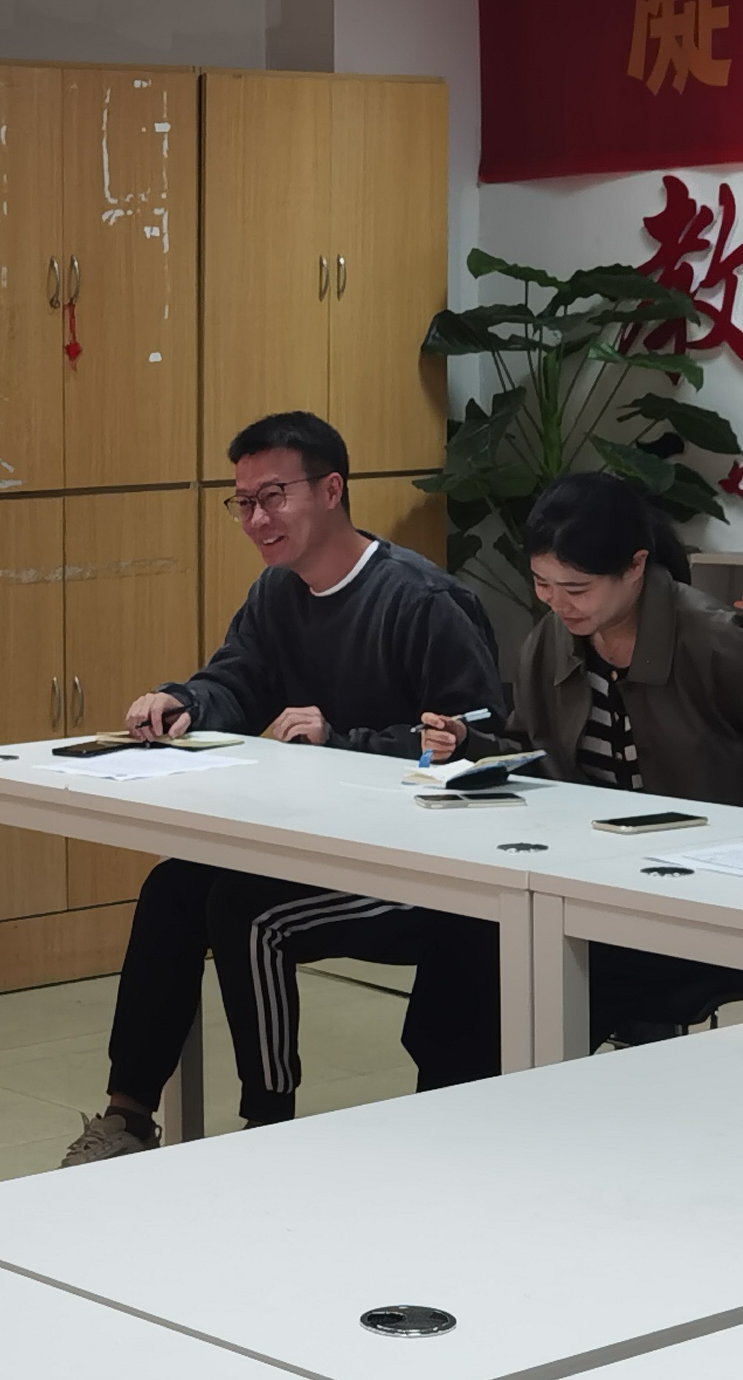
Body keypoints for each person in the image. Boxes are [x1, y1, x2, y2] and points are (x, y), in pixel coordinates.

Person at [59, 412, 506, 1165]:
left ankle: (269, 1127)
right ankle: (127, 1116)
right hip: (320, 842)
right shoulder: (276, 593)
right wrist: (184, 702)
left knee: (245, 909)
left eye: (273, 497)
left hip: (421, 867)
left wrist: (344, 740)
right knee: (173, 888)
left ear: (331, 490)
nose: (256, 520)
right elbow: (236, 680)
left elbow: (481, 744)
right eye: (242, 502)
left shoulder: (422, 601)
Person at [413, 469, 743, 1044]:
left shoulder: (717, 642)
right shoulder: (550, 642)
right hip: (595, 876)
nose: (557, 603)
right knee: (458, 943)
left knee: (547, 974)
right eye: (543, 584)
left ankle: (525, 1089)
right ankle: (464, 1096)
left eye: (577, 588)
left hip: (708, 892)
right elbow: (538, 755)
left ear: (636, 566)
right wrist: (470, 746)